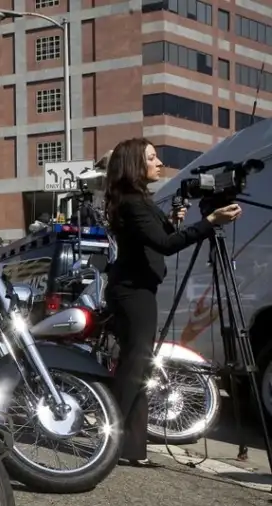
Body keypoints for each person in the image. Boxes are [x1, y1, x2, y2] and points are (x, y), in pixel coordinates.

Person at [103, 137, 242, 466]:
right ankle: (111, 443)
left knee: (139, 367)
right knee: (135, 368)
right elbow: (165, 245)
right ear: (136, 164)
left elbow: (157, 237)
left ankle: (131, 451)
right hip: (133, 293)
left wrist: (175, 220)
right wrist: (210, 223)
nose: (158, 163)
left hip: (138, 290)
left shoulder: (137, 201)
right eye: (151, 158)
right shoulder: (134, 203)